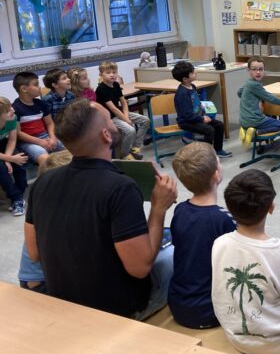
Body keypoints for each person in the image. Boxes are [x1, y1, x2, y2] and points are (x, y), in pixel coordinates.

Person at [24, 98, 178, 318]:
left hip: (64, 300)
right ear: (106, 135)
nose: (115, 123)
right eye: (110, 120)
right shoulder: (120, 188)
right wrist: (158, 208)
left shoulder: (42, 183)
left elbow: (34, 252)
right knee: (177, 250)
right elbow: (140, 267)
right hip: (115, 310)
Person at [212, 169, 280, 354]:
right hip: (275, 341)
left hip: (236, 336)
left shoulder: (219, 243)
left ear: (230, 208)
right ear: (271, 207)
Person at [169, 142, 235, 328]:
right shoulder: (224, 219)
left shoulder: (180, 210)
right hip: (209, 311)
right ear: (216, 174)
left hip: (178, 305)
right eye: (219, 161)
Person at [19, 149, 72, 294]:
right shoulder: (50, 210)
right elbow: (35, 254)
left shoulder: (54, 201)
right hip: (40, 282)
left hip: (48, 276)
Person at [171, 61, 232, 158]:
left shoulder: (192, 87)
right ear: (185, 79)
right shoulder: (182, 94)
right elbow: (187, 115)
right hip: (186, 122)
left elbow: (198, 104)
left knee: (219, 125)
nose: (195, 73)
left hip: (197, 117)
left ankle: (218, 150)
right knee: (209, 130)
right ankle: (205, 155)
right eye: (192, 72)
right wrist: (202, 119)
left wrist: (204, 116)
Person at [95, 61, 150, 160]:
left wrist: (126, 116)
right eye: (108, 73)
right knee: (131, 130)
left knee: (145, 120)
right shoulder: (101, 89)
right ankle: (124, 154)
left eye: (114, 72)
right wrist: (126, 119)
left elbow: (123, 102)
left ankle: (135, 147)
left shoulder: (116, 84)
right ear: (101, 75)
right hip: (109, 118)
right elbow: (113, 109)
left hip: (119, 114)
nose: (112, 75)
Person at [13, 71, 64, 166]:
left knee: (69, 151)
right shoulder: (15, 108)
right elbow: (18, 133)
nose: (39, 87)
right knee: (45, 159)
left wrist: (52, 137)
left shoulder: (41, 103)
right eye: (36, 84)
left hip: (46, 137)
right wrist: (39, 142)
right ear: (24, 89)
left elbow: (50, 123)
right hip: (28, 142)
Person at [238, 56, 280, 144]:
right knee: (278, 124)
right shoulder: (255, 85)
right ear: (248, 70)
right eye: (254, 69)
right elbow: (269, 97)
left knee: (267, 117)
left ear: (264, 70)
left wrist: (251, 99)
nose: (258, 72)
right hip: (254, 120)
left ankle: (247, 131)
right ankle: (256, 132)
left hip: (243, 120)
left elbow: (239, 93)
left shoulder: (248, 83)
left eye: (260, 69)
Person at [0, 97, 28, 216]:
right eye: (8, 110)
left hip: (4, 144)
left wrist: (8, 158)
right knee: (1, 168)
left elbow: (12, 140)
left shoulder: (12, 118)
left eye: (11, 107)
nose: (13, 110)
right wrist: (9, 159)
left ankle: (19, 196)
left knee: (19, 160)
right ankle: (15, 197)